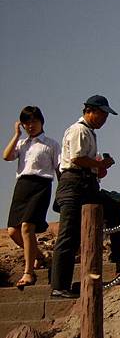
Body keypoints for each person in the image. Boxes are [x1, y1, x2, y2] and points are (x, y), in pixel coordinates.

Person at [51, 95, 120, 298]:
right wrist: (99, 164)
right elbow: (77, 158)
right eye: (102, 114)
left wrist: (99, 167)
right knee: (68, 236)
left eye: (106, 115)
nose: (104, 119)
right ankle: (59, 286)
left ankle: (118, 252)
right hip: (74, 184)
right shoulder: (79, 130)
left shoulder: (89, 132)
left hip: (86, 183)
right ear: (90, 111)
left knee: (113, 208)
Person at [3, 106, 60, 288]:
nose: (30, 125)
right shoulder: (22, 144)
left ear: (41, 121)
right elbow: (6, 156)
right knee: (13, 231)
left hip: (41, 185)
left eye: (34, 121)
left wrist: (62, 191)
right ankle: (40, 256)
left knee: (28, 227)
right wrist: (16, 135)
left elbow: (59, 168)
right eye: (27, 122)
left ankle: (29, 273)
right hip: (22, 186)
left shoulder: (51, 144)